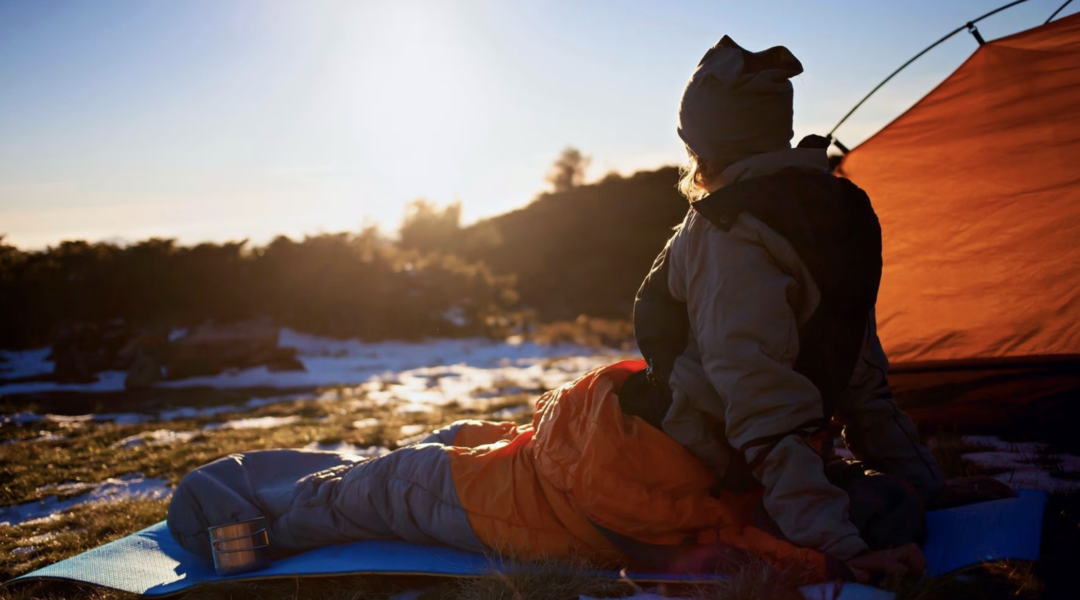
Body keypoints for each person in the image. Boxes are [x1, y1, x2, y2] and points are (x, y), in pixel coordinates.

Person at [626, 35, 1012, 583]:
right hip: (711, 444)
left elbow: (761, 403)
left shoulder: (729, 231)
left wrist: (841, 552)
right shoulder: (838, 206)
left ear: (703, 145)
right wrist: (922, 485)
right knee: (495, 462)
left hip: (677, 460)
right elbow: (861, 378)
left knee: (506, 488)